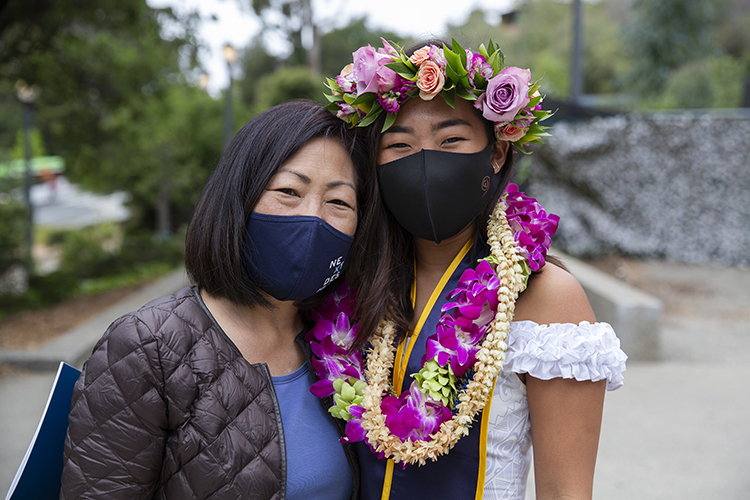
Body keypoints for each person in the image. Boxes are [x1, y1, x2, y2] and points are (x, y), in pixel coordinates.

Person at [308, 39, 628, 500]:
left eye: (451, 140)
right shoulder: (351, 290)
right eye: (399, 145)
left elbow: (565, 492)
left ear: (496, 153)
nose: (424, 162)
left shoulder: (547, 299)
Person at [60, 100, 391, 500]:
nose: (313, 218)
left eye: (338, 202)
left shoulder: (356, 342)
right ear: (240, 198)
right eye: (289, 191)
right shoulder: (147, 347)